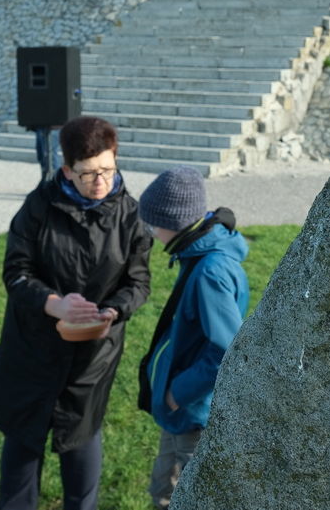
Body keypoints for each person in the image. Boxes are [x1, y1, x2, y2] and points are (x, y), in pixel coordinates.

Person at [0, 115, 152, 510]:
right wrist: (55, 304)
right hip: (33, 346)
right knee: (23, 442)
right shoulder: (39, 206)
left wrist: (112, 311)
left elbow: (139, 284)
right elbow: (16, 272)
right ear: (66, 170)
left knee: (81, 437)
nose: (100, 182)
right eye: (88, 173)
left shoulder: (129, 213)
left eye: (108, 170)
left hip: (93, 353)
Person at [136, 166, 249, 510]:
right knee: (163, 488)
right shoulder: (197, 253)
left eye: (154, 224)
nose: (152, 233)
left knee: (185, 496)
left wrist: (176, 393)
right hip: (180, 413)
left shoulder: (210, 273)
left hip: (192, 412)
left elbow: (227, 352)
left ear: (174, 222)